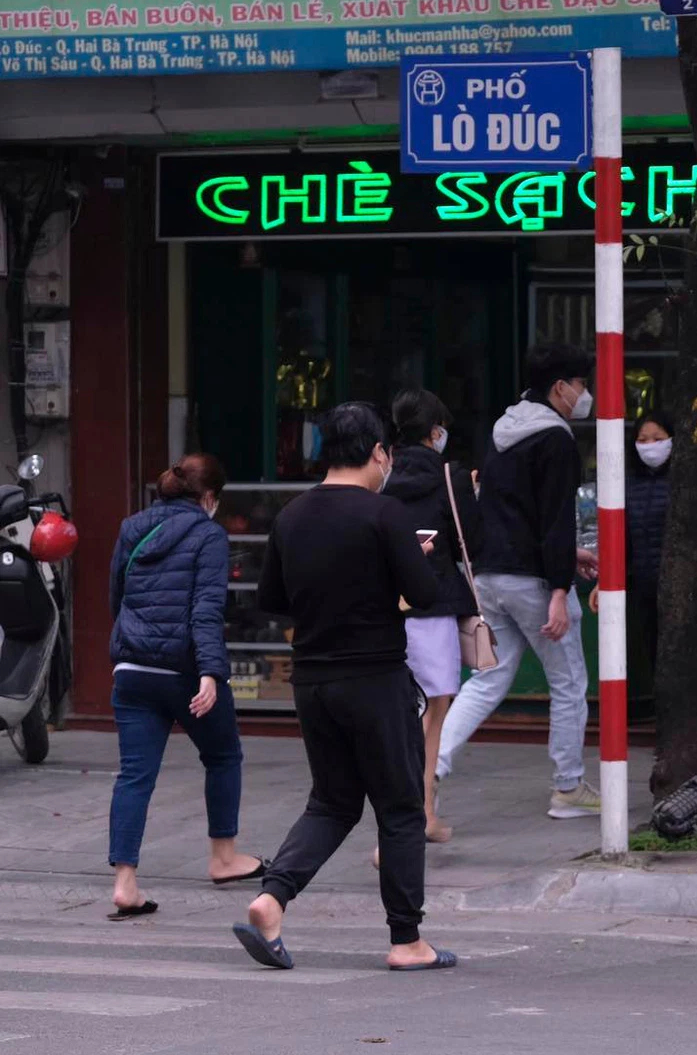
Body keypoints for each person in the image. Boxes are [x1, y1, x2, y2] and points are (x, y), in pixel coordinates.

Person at [236, 402, 453, 972]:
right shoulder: (385, 515)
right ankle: (407, 940)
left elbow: (272, 600)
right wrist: (413, 558)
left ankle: (271, 897)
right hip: (375, 678)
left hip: (312, 682)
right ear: (379, 452)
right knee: (402, 808)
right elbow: (425, 594)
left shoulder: (292, 516)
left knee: (332, 801)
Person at [435, 344, 599, 819]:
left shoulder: (503, 432)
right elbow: (552, 520)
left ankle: (430, 768)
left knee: (486, 681)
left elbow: (511, 515)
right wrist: (560, 588)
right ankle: (568, 787)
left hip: (489, 575)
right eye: (582, 385)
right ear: (560, 388)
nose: (585, 394)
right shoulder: (557, 440)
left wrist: (568, 557)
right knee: (569, 682)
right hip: (533, 581)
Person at [105, 454, 264, 920]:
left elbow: (117, 595)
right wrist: (212, 674)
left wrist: (129, 649)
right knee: (222, 756)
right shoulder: (209, 535)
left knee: (135, 775)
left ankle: (125, 884)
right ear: (209, 498)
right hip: (186, 672)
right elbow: (206, 610)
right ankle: (223, 857)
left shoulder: (132, 527)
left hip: (132, 670)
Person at [383, 388, 484, 843]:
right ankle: (419, 813)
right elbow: (473, 541)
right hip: (434, 603)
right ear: (436, 431)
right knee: (434, 710)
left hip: (384, 606)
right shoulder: (450, 476)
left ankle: (412, 814)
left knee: (400, 711)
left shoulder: (380, 474)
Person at [590, 416, 670, 710]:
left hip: (675, 583)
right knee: (649, 647)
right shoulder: (626, 484)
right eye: (643, 439)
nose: (650, 446)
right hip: (642, 582)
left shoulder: (684, 484)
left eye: (658, 438)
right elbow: (619, 538)